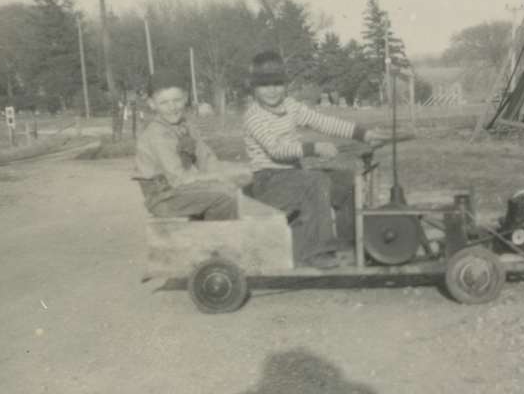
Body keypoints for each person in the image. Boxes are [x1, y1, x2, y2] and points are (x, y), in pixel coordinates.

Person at [242, 51, 390, 268]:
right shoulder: (253, 116)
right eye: (265, 85)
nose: (272, 90)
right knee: (315, 182)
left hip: (293, 177)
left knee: (347, 182)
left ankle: (351, 245)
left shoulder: (290, 106)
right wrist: (314, 148)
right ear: (254, 88)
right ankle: (315, 252)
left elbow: (322, 121)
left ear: (285, 84)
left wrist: (363, 134)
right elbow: (277, 150)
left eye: (277, 83)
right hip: (268, 182)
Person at [135, 86, 240, 220]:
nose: (172, 107)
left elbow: (206, 157)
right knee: (224, 197)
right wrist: (214, 177)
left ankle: (213, 234)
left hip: (181, 192)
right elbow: (178, 178)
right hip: (164, 198)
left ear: (185, 99)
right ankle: (217, 238)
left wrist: (221, 174)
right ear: (152, 104)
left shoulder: (186, 126)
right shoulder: (158, 134)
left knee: (228, 188)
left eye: (177, 100)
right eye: (164, 103)